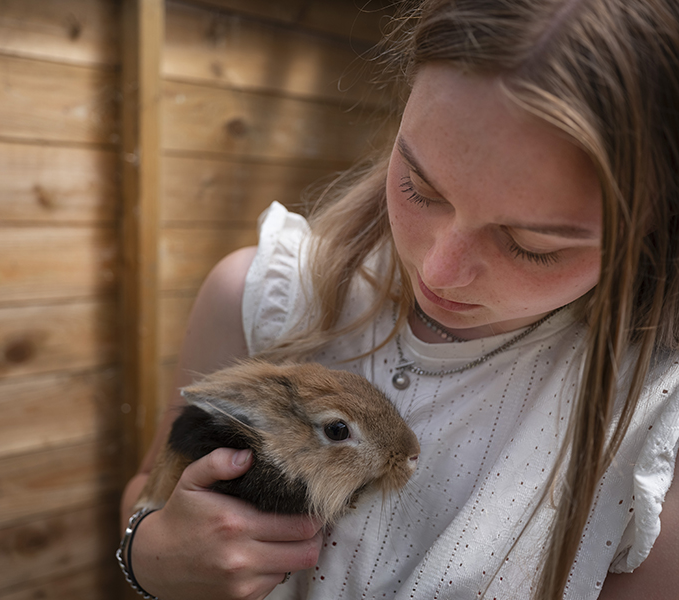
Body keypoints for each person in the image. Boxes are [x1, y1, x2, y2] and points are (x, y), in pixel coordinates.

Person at [119, 0, 679, 598]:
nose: (440, 271)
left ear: (654, 224)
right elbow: (152, 490)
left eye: (532, 244)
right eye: (419, 186)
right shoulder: (258, 297)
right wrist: (149, 552)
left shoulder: (654, 427)